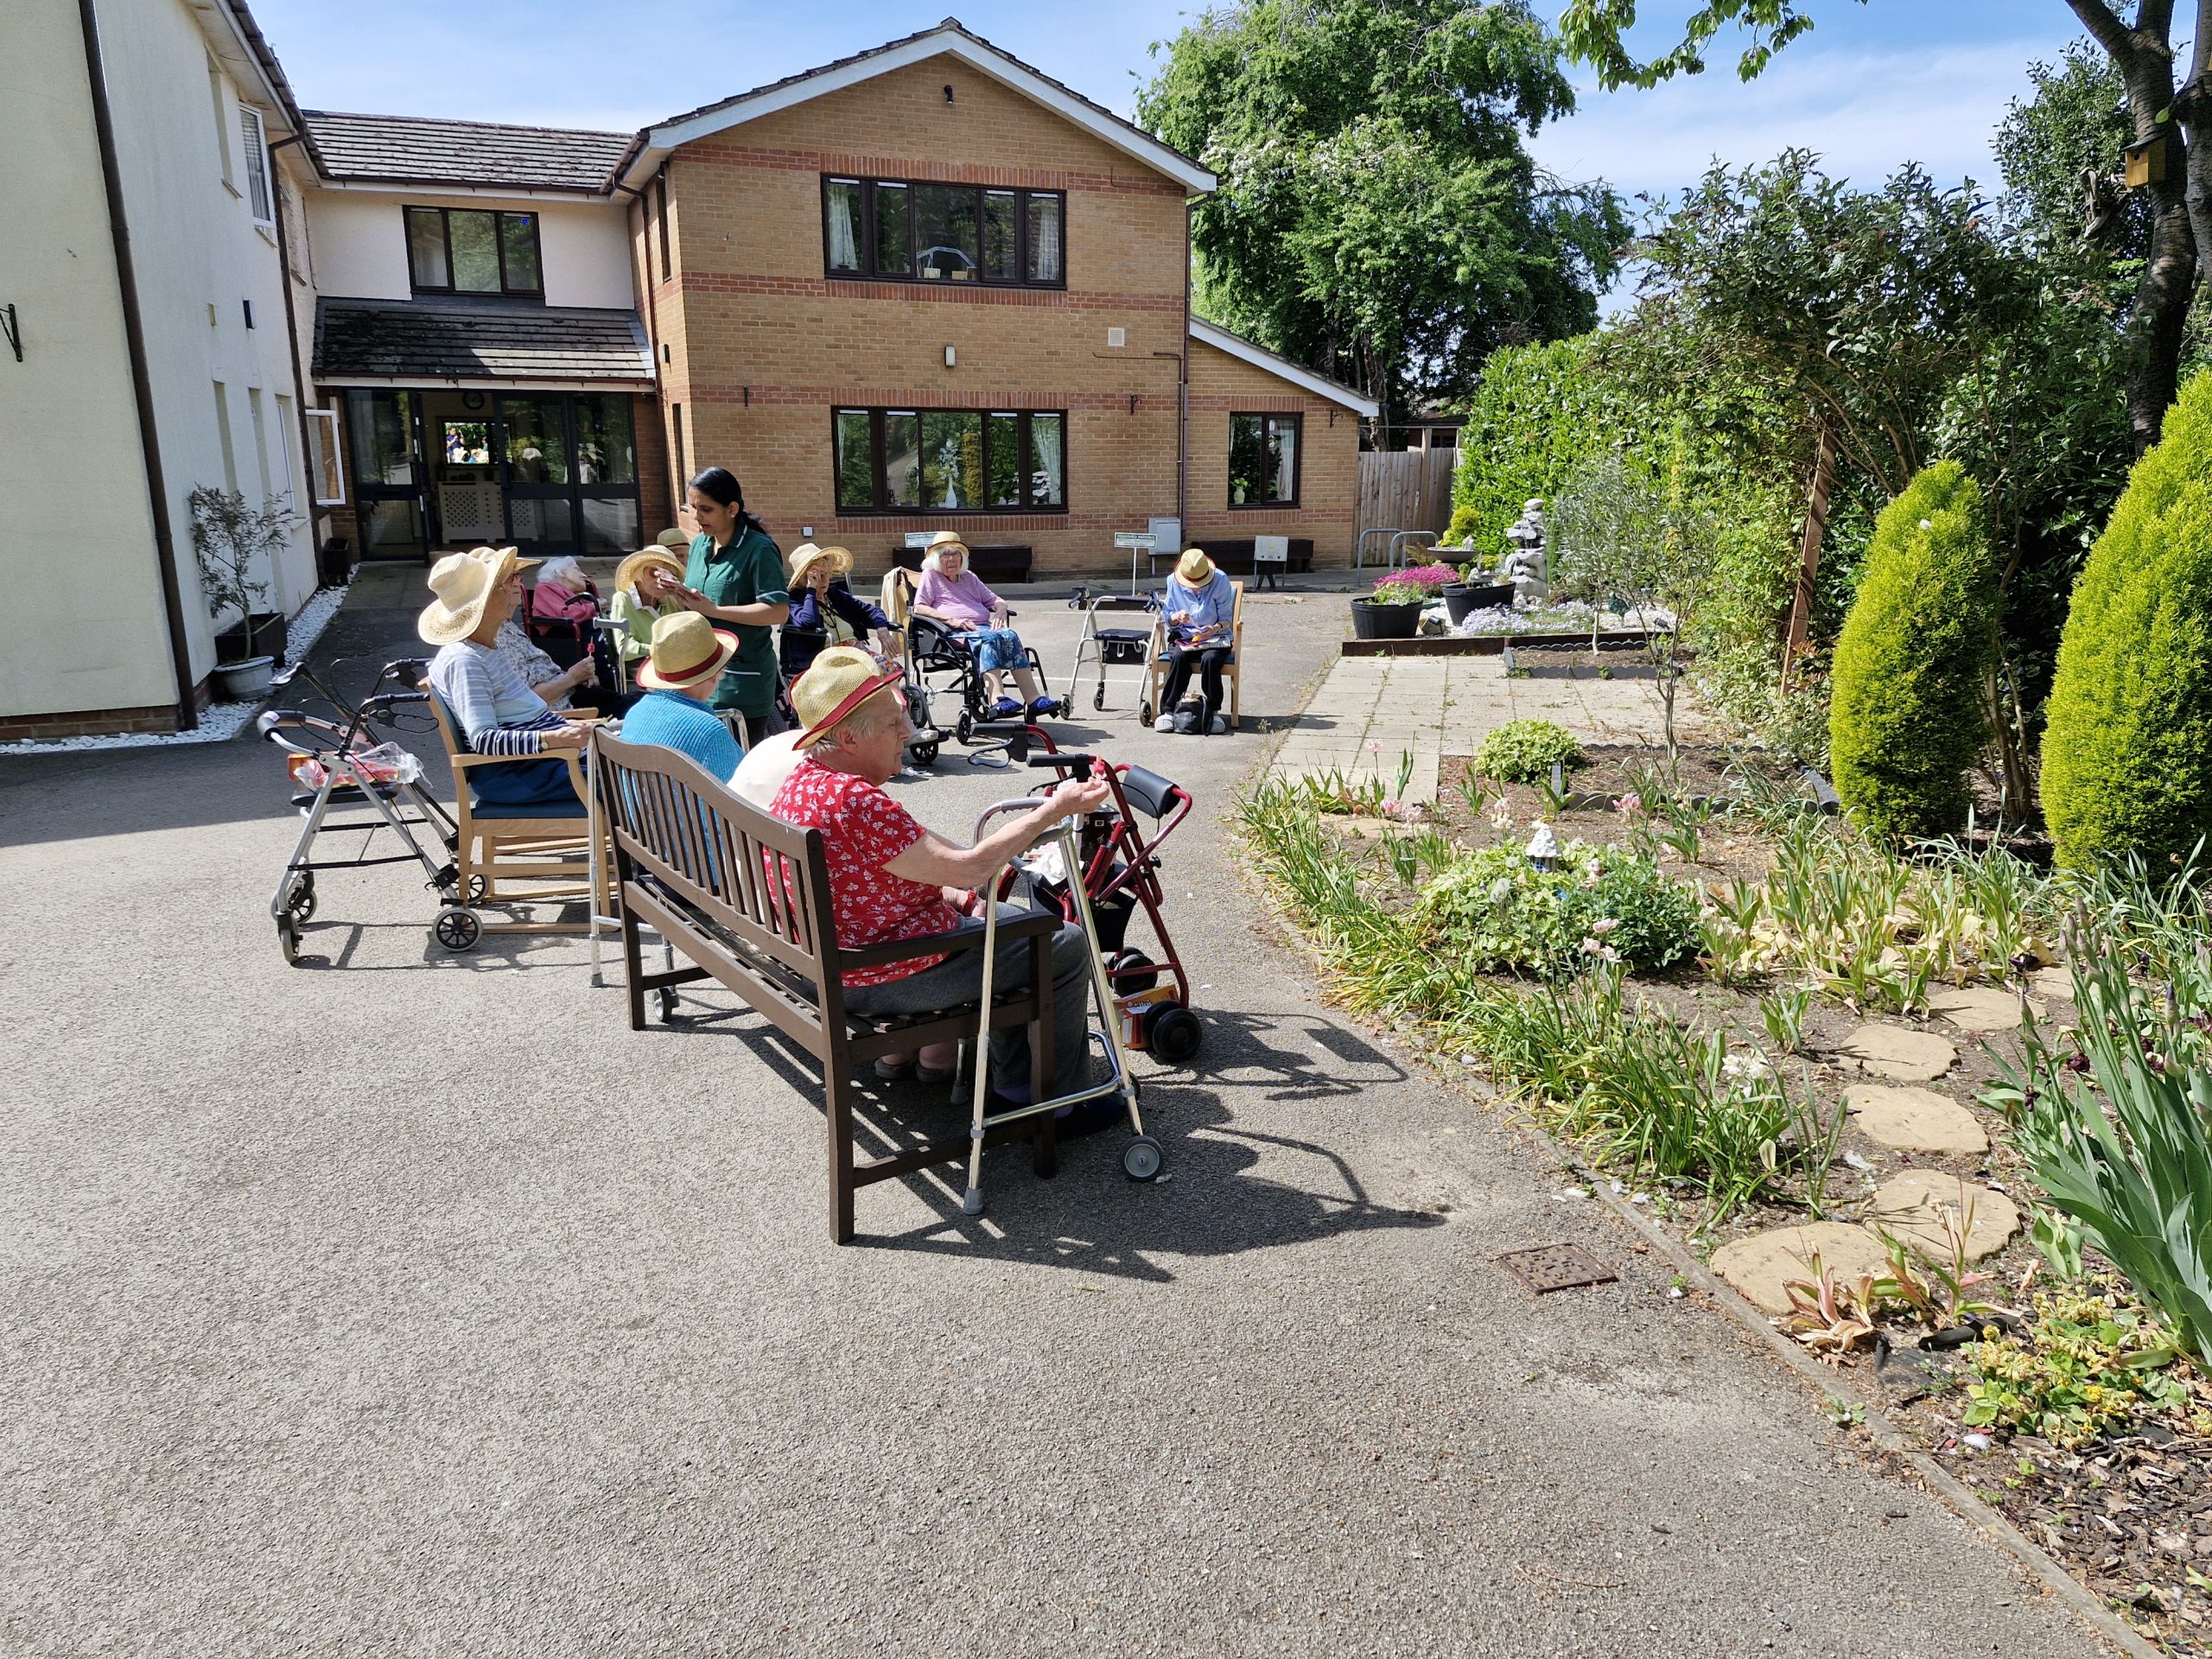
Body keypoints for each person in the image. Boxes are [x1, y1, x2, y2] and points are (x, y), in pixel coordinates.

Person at [771, 645, 1107, 1100]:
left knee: (1009, 921)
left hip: (833, 958)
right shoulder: (857, 802)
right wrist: (1053, 809)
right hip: (875, 975)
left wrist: (960, 895)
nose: (909, 732)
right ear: (849, 739)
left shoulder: (804, 780)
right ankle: (1061, 1101)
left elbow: (886, 875)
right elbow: (969, 870)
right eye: (894, 724)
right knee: (1062, 942)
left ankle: (1011, 1085)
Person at [420, 546, 591, 808]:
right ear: (485, 602)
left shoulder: (486, 647)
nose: (514, 590)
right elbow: (485, 739)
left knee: (638, 757)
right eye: (502, 586)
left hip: (540, 764)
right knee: (640, 777)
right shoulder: (465, 660)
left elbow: (519, 715)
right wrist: (554, 738)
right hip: (519, 776)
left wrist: (563, 731)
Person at [671, 466, 788, 749]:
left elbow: (778, 611)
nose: (697, 517)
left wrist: (716, 611)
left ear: (732, 508)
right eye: (693, 508)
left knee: (739, 771)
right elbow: (700, 604)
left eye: (706, 509)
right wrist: (678, 594)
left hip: (742, 683)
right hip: (700, 677)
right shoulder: (699, 545)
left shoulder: (759, 550)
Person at [909, 531, 1062, 719]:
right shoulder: (931, 576)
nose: (950, 559)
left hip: (980, 629)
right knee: (989, 639)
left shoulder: (969, 577)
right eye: (944, 554)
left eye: (955, 553)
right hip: (950, 633)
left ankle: (1034, 700)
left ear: (962, 557)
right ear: (935, 558)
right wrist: (951, 620)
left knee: (1009, 635)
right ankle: (997, 699)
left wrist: (1000, 610)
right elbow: (919, 607)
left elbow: (996, 600)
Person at [616, 612, 743, 783]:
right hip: (694, 810)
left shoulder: (636, 713)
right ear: (714, 674)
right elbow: (744, 797)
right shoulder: (709, 731)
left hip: (639, 810)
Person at [780, 543, 898, 681]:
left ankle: (895, 702)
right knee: (872, 672)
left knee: (891, 669)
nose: (824, 581)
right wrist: (811, 590)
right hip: (826, 661)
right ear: (805, 580)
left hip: (858, 654)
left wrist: (881, 627)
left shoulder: (835, 595)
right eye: (817, 577)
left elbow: (872, 611)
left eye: (826, 574)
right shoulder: (795, 600)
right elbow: (809, 622)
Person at [1153, 547, 1236, 735]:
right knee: (1179, 657)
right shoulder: (1172, 581)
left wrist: (1214, 628)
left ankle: (1213, 711)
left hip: (1215, 636)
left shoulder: (1221, 580)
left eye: (1200, 582)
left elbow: (1226, 618)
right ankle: (1168, 710)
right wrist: (1176, 617)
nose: (1195, 586)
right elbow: (1167, 617)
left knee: (1211, 660)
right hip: (1184, 636)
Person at [607, 547, 687, 676]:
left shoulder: (670, 600)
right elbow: (625, 649)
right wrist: (658, 650)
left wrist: (681, 597)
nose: (659, 580)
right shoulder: (623, 599)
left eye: (667, 576)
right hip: (643, 665)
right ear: (639, 573)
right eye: (653, 572)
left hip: (673, 662)